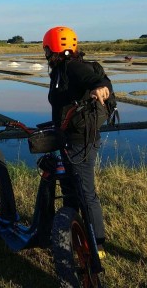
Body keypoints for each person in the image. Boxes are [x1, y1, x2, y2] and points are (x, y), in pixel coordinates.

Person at [43, 26, 112, 259]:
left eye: (46, 50)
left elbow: (97, 80)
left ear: (51, 48)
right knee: (71, 186)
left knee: (85, 190)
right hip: (67, 138)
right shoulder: (61, 70)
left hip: (80, 142)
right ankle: (73, 229)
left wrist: (100, 88)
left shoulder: (73, 67)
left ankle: (97, 245)